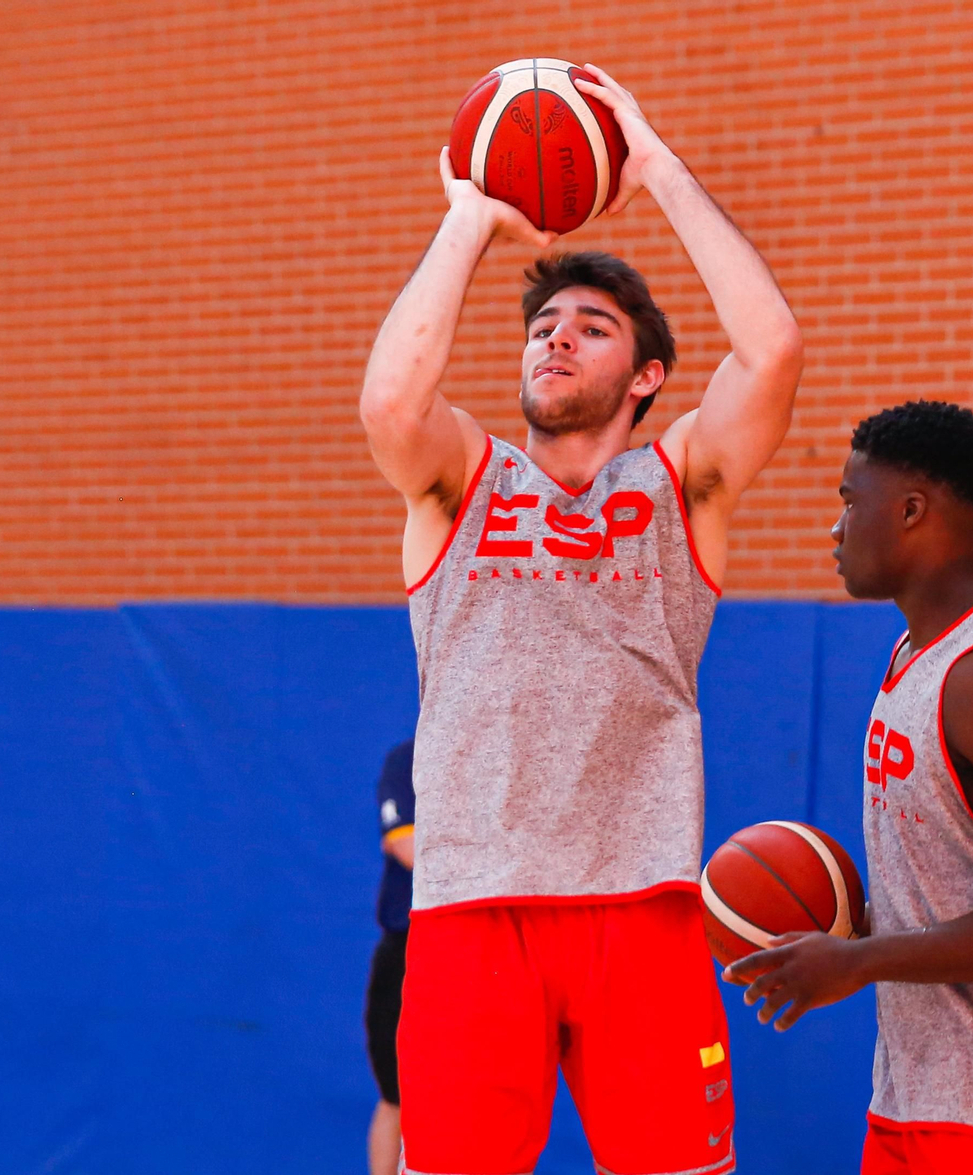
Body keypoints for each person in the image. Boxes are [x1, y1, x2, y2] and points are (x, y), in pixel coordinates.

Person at [357, 64, 801, 1175]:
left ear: (646, 372)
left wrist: (649, 165)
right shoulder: (463, 478)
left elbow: (773, 350)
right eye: (542, 325)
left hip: (639, 906)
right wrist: (467, 217)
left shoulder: (681, 480)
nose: (553, 340)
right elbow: (391, 403)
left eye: (590, 328)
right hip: (467, 911)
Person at [725, 401, 973, 1175]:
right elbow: (965, 883)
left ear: (912, 510)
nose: (834, 530)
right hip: (923, 1097)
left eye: (850, 501)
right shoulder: (915, 652)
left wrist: (865, 961)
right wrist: (854, 926)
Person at [363, 739, 415, 1175]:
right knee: (397, 1093)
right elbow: (407, 844)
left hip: (491, 944)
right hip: (410, 947)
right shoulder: (407, 759)